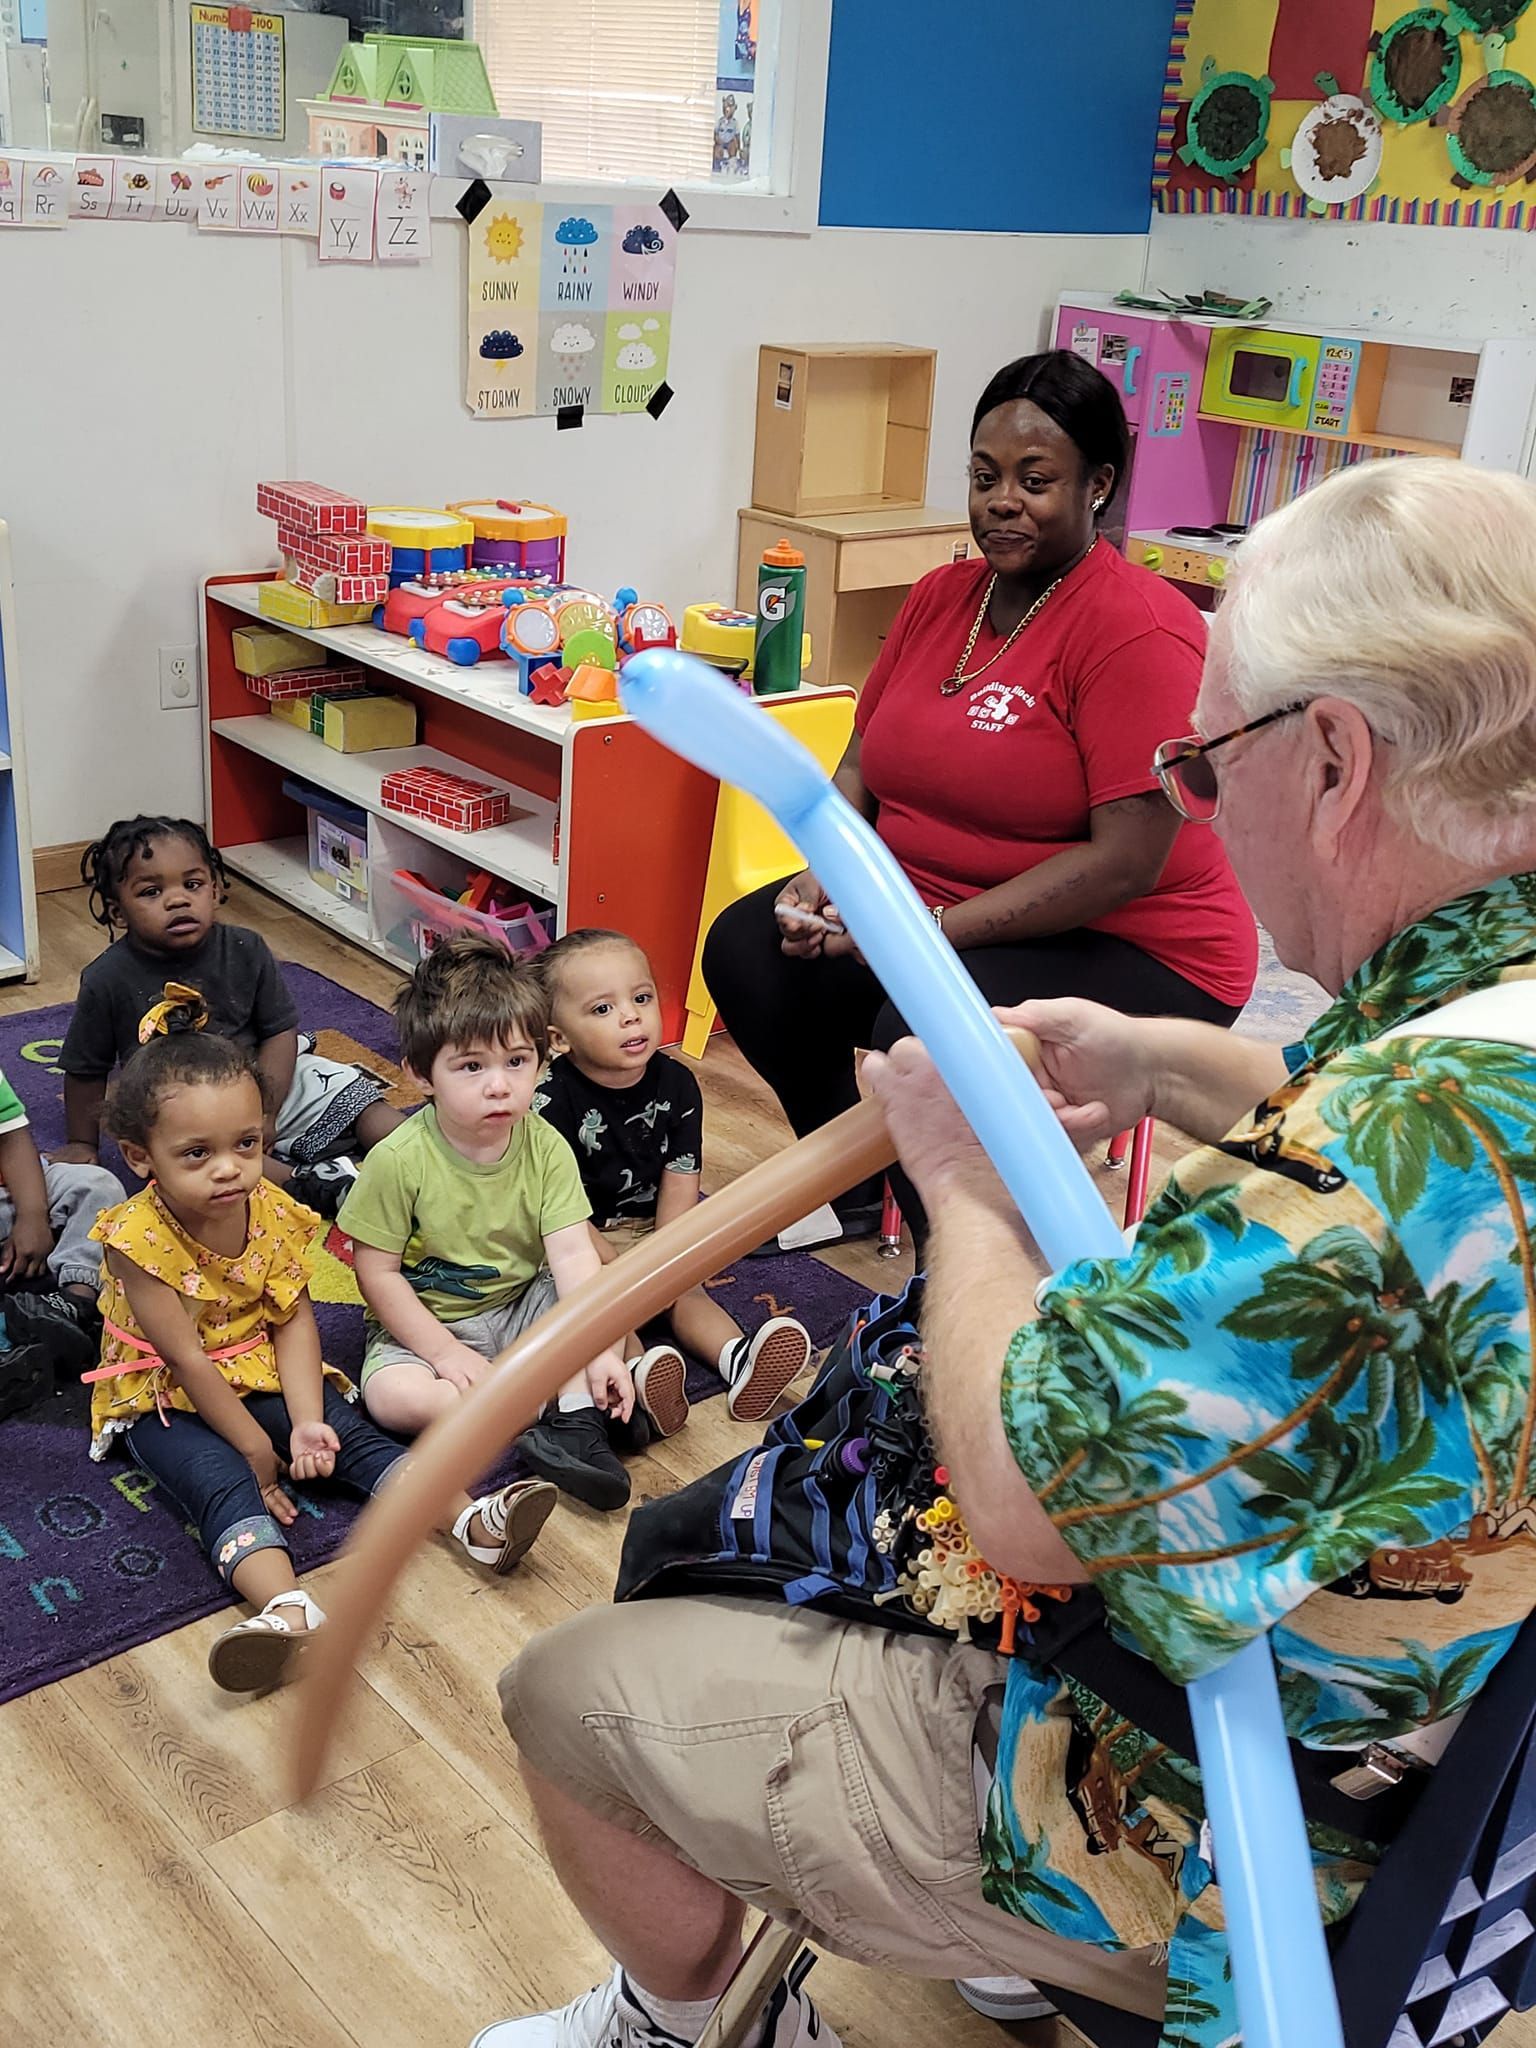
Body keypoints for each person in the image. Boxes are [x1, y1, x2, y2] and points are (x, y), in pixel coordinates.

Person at [479, 456, 1536, 2048]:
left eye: (1205, 764)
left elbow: (1033, 1510)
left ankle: (706, 2017)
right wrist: (1159, 1060)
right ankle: (961, 1928)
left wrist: (963, 1186)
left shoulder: (1407, 1143)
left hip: (1247, 1796)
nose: (1200, 803)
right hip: (1452, 1750)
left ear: (1331, 759)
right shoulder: (1472, 1053)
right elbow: (1382, 1151)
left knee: (568, 1688)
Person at [703, 349, 1257, 1254]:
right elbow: (857, 774)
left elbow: (1127, 861)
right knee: (750, 946)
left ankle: (969, 1270)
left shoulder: (1139, 632)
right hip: (936, 910)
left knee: (921, 1027)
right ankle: (867, 1184)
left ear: (1099, 486)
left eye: (1036, 480)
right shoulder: (939, 598)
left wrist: (921, 936)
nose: (1003, 500)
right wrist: (822, 878)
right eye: (985, 475)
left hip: (1140, 943)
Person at [87, 1026, 554, 1694]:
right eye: (196, 1153)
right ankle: (288, 1610)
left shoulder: (271, 1208)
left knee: (351, 1432)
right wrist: (254, 1446)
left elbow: (294, 1317)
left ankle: (471, 1522)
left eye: (246, 1144)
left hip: (257, 1362)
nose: (229, 1167)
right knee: (219, 1478)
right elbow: (186, 1359)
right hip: (164, 1392)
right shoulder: (135, 1240)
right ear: (140, 1157)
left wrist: (307, 1421)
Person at [338, 934, 636, 1511]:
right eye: (471, 1066)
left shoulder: (546, 1145)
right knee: (391, 1399)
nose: (499, 1084)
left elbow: (573, 1257)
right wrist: (445, 1353)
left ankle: (575, 1413)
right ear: (422, 1075)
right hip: (432, 1324)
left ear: (541, 1063)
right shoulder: (398, 1160)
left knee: (605, 1292)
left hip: (524, 1303)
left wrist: (600, 1347)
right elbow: (376, 1275)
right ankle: (564, 1406)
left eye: (517, 1062)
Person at [534, 928, 814, 1440]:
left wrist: (668, 1254)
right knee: (605, 1309)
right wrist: (619, 1267)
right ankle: (642, 1374)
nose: (630, 1016)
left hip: (653, 1228)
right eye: (602, 1009)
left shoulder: (677, 1083)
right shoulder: (549, 1104)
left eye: (641, 998)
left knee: (687, 1289)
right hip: (581, 1239)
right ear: (559, 1039)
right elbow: (558, 1207)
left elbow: (682, 1176)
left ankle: (739, 1359)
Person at [59, 815, 404, 1216]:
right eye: (152, 891)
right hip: (183, 1107)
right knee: (199, 1158)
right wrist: (82, 1143)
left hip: (265, 1083)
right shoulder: (106, 979)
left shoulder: (246, 948)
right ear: (118, 913)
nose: (177, 899)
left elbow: (279, 1032)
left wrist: (266, 1111)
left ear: (216, 889)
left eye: (193, 884)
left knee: (347, 1087)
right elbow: (86, 1067)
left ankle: (416, 1151)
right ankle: (308, 1186)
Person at [0, 1057, 125, 1409]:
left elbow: (12, 1137)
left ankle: (75, 1304)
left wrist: (32, 1215)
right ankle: (11, 1348)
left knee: (96, 1187)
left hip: (16, 1190)